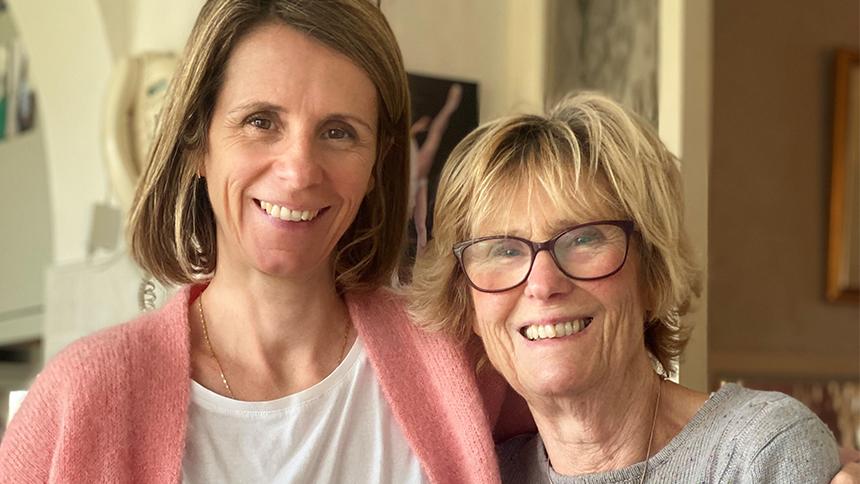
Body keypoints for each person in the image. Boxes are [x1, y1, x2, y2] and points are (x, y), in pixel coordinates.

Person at [0, 1, 531, 482]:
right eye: (260, 121)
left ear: (375, 165)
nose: (299, 171)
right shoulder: (79, 399)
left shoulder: (461, 361)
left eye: (339, 131)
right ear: (197, 144)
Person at [409, 92, 844, 483]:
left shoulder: (759, 452)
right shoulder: (482, 474)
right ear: (466, 301)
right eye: (503, 251)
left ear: (653, 273)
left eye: (583, 239)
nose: (542, 284)